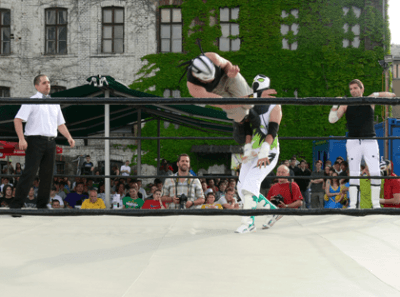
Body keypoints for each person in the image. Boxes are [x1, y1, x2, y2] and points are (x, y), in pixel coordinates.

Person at [11, 74, 75, 212]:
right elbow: (17, 120)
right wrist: (21, 139)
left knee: (47, 175)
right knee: (29, 173)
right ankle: (16, 206)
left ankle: (42, 205)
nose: (48, 85)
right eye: (44, 82)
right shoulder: (31, 101)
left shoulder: (54, 102)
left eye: (49, 82)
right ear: (37, 86)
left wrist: (69, 137)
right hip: (34, 141)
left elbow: (60, 124)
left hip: (51, 142)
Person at [328, 79, 396, 209]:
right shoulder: (346, 104)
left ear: (361, 89)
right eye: (351, 89)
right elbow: (332, 120)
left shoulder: (369, 100)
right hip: (353, 141)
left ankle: (376, 204)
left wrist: (394, 96)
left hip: (369, 140)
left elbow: (382, 94)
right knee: (353, 172)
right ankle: (353, 204)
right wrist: (335, 103)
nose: (353, 91)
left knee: (375, 171)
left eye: (355, 88)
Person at [234, 76, 282, 232]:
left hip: (268, 150)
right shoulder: (250, 104)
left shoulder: (275, 105)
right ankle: (272, 212)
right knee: (242, 187)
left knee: (251, 184)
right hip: (253, 150)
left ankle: (248, 223)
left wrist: (265, 150)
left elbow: (273, 130)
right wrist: (247, 147)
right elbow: (248, 129)